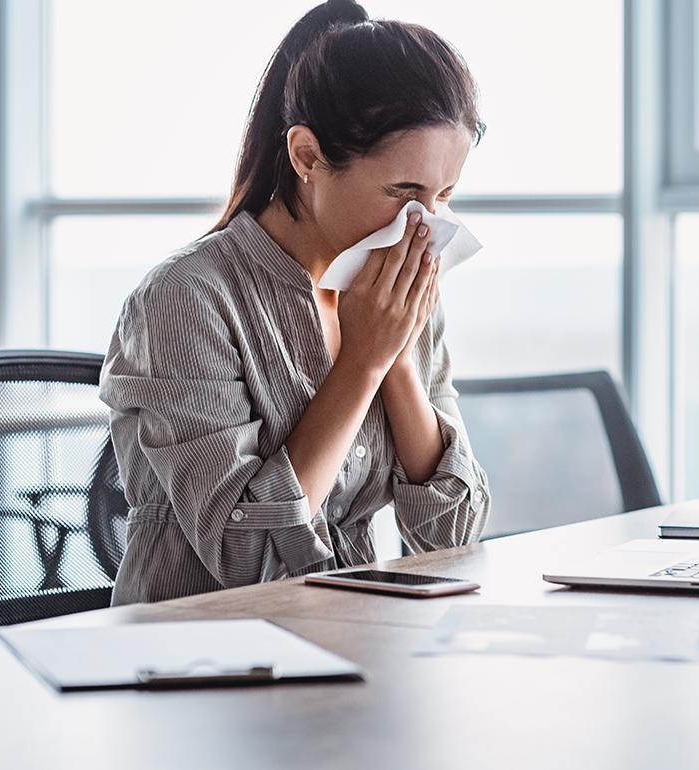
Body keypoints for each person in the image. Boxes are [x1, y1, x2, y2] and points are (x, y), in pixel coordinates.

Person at [99, 0, 491, 605]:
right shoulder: (184, 301)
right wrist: (362, 363)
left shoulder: (396, 293)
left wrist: (397, 356)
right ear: (307, 156)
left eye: (443, 194)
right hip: (196, 662)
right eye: (402, 191)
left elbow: (453, 536)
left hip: (353, 640)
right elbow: (248, 562)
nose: (425, 225)